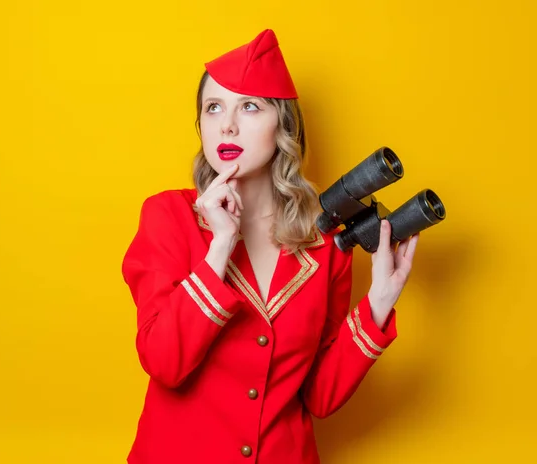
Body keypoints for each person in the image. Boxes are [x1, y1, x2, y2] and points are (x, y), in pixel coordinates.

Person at [121, 28, 419, 464]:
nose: (227, 123)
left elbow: (318, 396)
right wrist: (220, 246)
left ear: (283, 124)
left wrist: (378, 302)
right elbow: (165, 361)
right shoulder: (169, 217)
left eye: (249, 106)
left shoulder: (324, 243)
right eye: (213, 107)